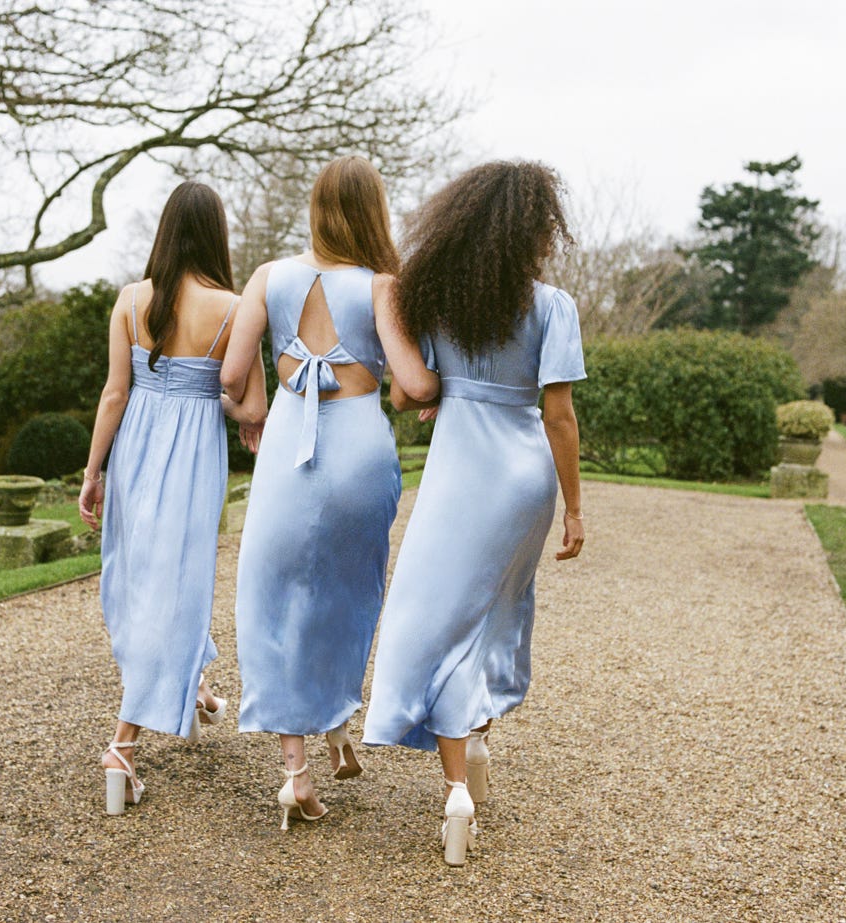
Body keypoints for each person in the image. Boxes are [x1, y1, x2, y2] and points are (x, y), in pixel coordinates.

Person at [361, 160, 586, 866]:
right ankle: (478, 741)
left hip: (458, 469)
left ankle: (457, 786)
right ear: (535, 230)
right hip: (525, 476)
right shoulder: (552, 306)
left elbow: (406, 395)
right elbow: (559, 415)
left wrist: (410, 346)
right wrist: (575, 507)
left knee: (440, 613)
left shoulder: (442, 304)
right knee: (493, 608)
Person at [220, 155, 440, 830]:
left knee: (274, 593)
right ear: (373, 212)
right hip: (357, 452)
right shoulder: (381, 286)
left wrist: (255, 404)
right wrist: (422, 386)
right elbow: (417, 385)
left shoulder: (267, 277)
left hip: (288, 444)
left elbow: (231, 374)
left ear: (316, 209)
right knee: (349, 593)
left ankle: (296, 769)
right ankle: (338, 712)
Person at [79, 181, 267, 816]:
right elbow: (254, 406)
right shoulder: (236, 308)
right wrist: (209, 397)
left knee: (142, 580)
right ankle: (123, 746)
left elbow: (114, 394)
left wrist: (92, 469)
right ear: (217, 235)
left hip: (133, 450)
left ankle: (193, 688)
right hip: (192, 457)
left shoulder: (132, 300)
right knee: (178, 580)